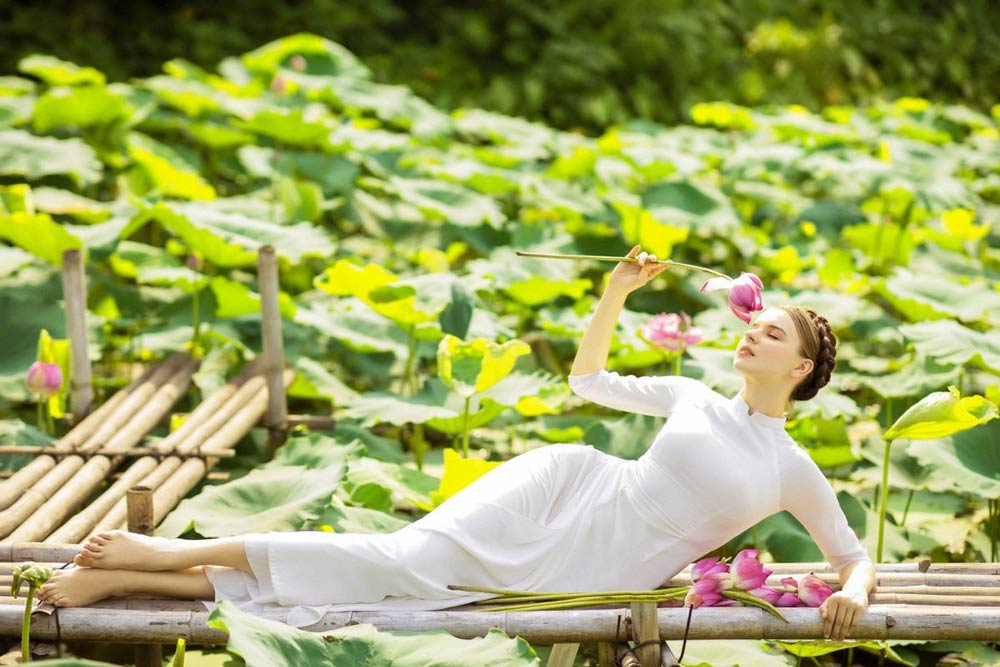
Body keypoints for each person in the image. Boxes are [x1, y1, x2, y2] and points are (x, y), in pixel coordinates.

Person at [35, 245, 874, 640]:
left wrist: (857, 593)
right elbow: (587, 382)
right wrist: (616, 292)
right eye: (752, 323)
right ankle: (159, 551)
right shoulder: (691, 390)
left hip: (594, 566)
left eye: (770, 334)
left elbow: (849, 553)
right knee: (405, 554)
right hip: (566, 483)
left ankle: (141, 572)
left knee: (404, 595)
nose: (751, 335)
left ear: (802, 367)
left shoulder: (789, 467)